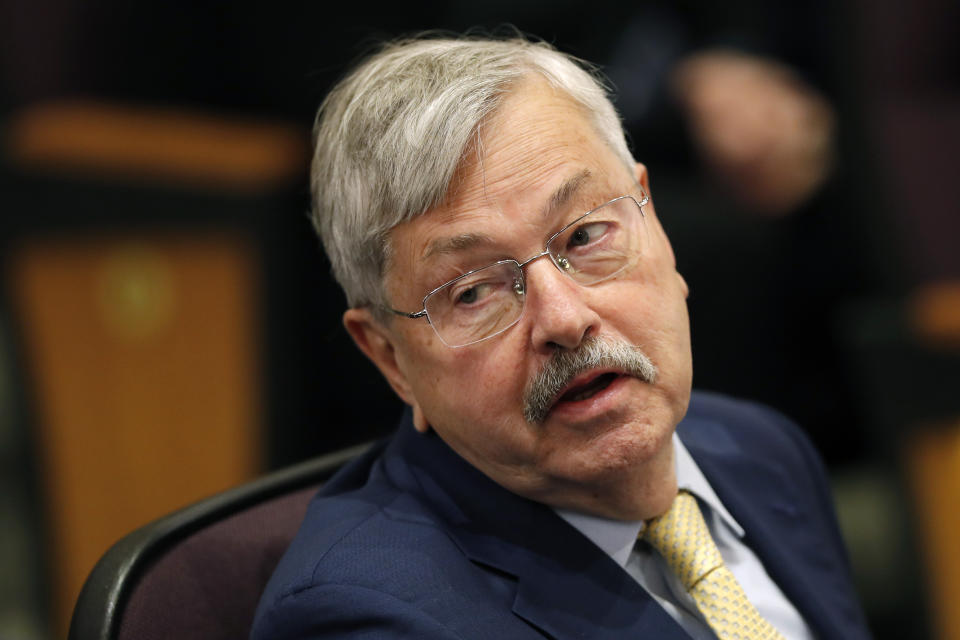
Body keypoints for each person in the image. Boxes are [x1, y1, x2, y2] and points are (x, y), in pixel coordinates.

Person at [252, 34, 872, 639]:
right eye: (473, 291)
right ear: (389, 358)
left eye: (584, 236)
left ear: (651, 218)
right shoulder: (372, 614)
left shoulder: (760, 450)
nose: (565, 318)